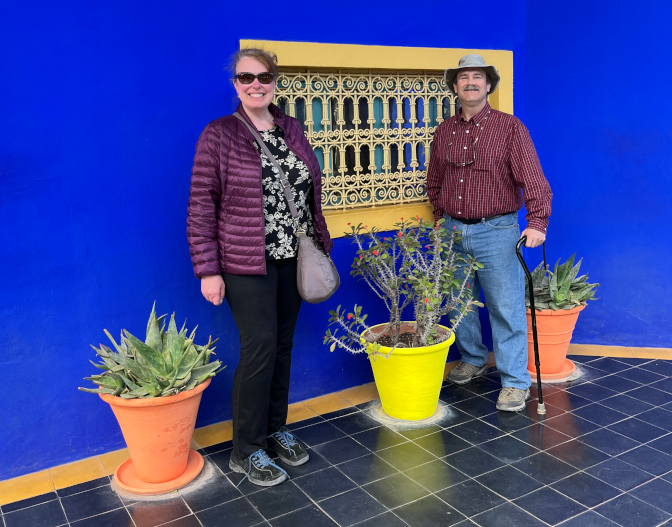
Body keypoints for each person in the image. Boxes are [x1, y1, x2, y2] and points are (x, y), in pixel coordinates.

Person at [186, 48, 333, 486]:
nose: (256, 84)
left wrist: (318, 240)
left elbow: (309, 188)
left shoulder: (291, 128)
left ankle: (275, 430)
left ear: (275, 81)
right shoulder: (219, 134)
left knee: (283, 346)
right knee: (260, 348)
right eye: (246, 77)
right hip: (245, 262)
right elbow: (200, 205)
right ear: (235, 84)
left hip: (293, 259)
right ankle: (245, 449)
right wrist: (208, 269)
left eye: (264, 76)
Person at [427, 54, 552, 412]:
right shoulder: (444, 131)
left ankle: (514, 381)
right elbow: (435, 179)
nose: (470, 82)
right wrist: (440, 217)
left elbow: (535, 180)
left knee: (505, 307)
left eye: (477, 77)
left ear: (488, 86)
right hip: (453, 230)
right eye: (463, 77)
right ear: (455, 86)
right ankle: (474, 358)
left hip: (497, 231)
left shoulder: (510, 128)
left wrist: (537, 222)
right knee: (461, 304)